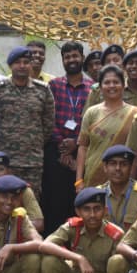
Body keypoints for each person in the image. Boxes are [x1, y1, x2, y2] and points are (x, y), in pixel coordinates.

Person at [0, 46, 55, 198]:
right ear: (10, 65)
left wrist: (33, 141)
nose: (22, 66)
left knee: (30, 201)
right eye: (18, 62)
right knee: (4, 200)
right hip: (4, 160)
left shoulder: (43, 90)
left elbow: (48, 124)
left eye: (26, 62)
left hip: (32, 161)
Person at [46, 42, 94, 225]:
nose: (71, 60)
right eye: (67, 57)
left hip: (82, 151)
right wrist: (63, 146)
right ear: (63, 60)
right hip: (56, 152)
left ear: (82, 58)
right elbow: (48, 117)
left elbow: (93, 121)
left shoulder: (93, 88)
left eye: (75, 56)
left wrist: (76, 142)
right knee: (55, 201)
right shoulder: (54, 85)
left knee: (79, 199)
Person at [76, 65, 137, 189]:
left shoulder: (136, 114)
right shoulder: (92, 112)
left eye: (116, 82)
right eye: (107, 82)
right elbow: (83, 147)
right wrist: (79, 180)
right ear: (100, 87)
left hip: (124, 178)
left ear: (123, 85)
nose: (112, 86)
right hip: (93, 177)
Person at [92, 144, 137, 231]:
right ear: (105, 167)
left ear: (131, 168)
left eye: (124, 164)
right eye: (113, 163)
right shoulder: (96, 194)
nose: (118, 168)